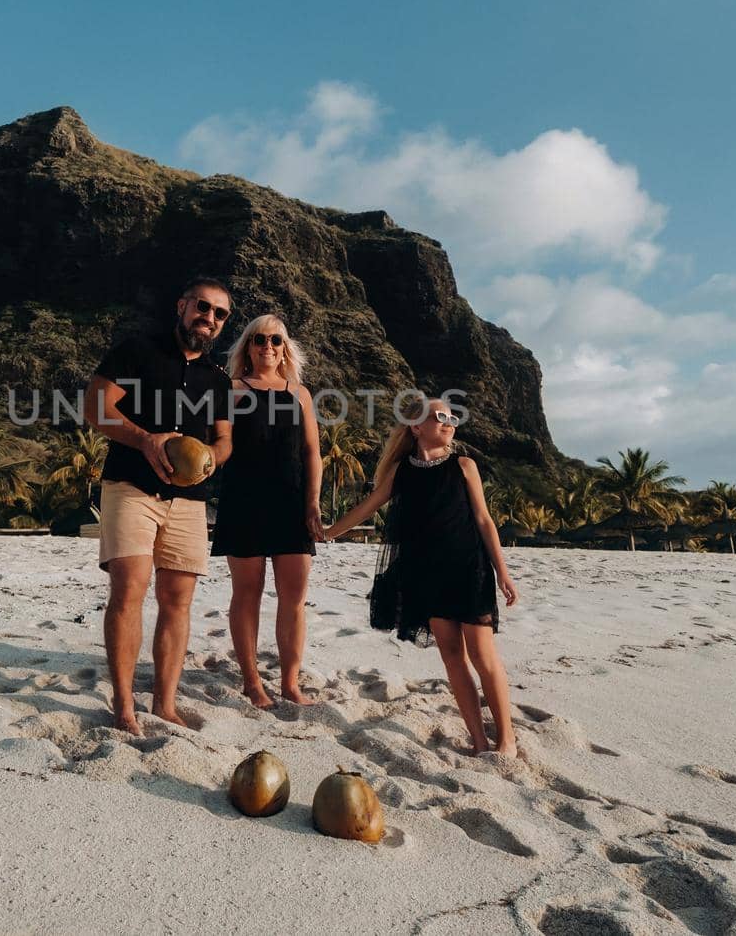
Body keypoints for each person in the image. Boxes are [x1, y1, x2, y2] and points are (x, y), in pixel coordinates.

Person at [324, 395, 521, 756]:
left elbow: (483, 520)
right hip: (427, 573)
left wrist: (503, 572)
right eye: (440, 416)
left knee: (482, 653)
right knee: (451, 654)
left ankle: (506, 738)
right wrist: (327, 532)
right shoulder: (401, 472)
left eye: (452, 418)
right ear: (416, 426)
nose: (449, 423)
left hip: (468, 568)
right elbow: (366, 507)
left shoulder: (464, 465)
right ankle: (478, 741)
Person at [84, 278, 234, 735]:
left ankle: (165, 704)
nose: (208, 318)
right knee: (129, 588)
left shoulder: (218, 379)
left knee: (177, 600)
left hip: (188, 501)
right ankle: (124, 704)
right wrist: (146, 440)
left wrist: (209, 462)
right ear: (182, 306)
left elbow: (224, 440)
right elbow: (95, 407)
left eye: (219, 313)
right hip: (131, 486)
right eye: (202, 307)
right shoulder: (137, 350)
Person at [210, 315, 326, 708]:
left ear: (285, 346)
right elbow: (216, 442)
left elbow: (312, 452)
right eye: (258, 339)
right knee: (247, 593)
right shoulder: (231, 390)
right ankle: (251, 681)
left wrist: (312, 501)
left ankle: (290, 684)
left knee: (293, 596)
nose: (268, 346)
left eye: (276, 339)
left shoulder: (301, 394)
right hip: (243, 501)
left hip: (292, 503)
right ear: (247, 346)